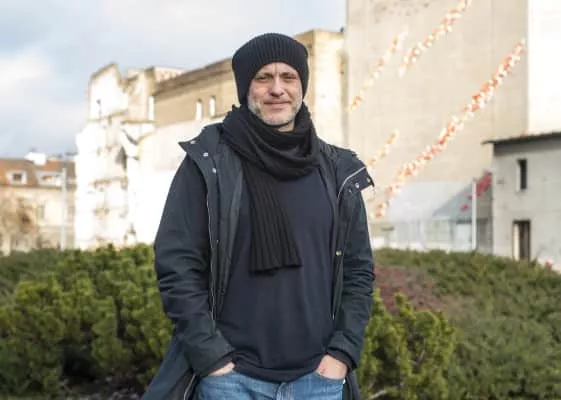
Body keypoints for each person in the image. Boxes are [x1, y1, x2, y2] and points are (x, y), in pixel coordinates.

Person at [142, 32, 376, 400]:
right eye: (264, 77)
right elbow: (177, 264)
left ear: (302, 86)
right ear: (244, 88)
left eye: (288, 77)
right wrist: (212, 360)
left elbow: (358, 270)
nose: (277, 89)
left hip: (318, 382)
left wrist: (342, 354)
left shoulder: (337, 170)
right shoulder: (209, 163)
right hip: (231, 382)